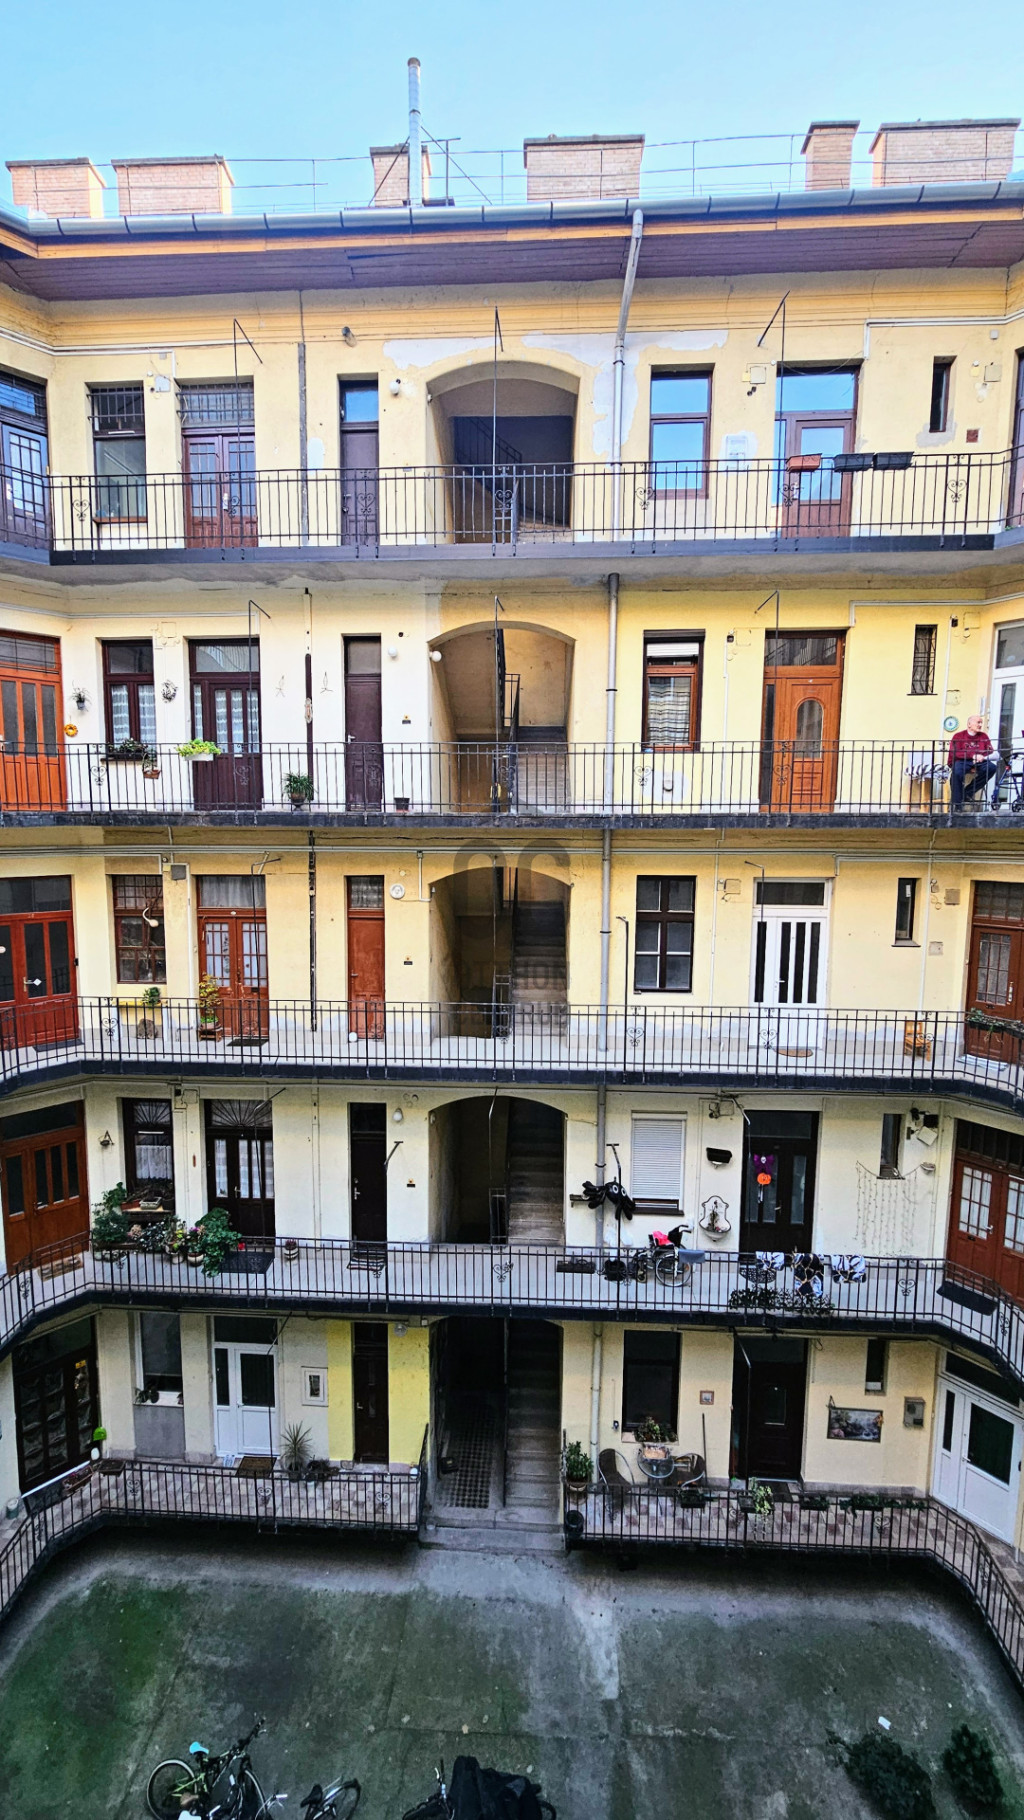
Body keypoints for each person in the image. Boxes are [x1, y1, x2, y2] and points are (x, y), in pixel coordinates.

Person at [948, 714, 996, 809]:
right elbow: (955, 753)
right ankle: (957, 804)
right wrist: (973, 755)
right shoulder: (959, 736)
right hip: (963, 760)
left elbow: (990, 750)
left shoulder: (983, 736)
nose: (980, 725)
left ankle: (966, 793)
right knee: (956, 772)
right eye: (978, 722)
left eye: (981, 723)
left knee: (991, 768)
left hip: (979, 761)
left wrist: (981, 756)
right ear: (969, 724)